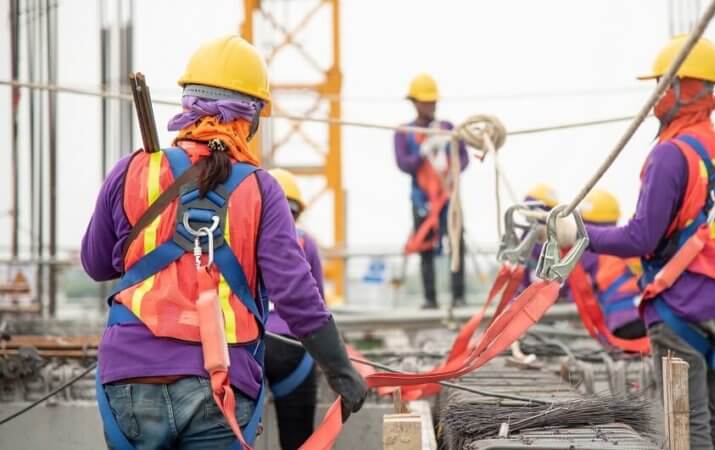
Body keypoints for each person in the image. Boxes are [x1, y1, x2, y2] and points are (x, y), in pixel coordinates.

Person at [81, 35, 366, 450]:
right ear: (249, 119)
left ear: (187, 106)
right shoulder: (260, 189)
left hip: (128, 378)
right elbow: (296, 294)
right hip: (221, 384)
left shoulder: (134, 171)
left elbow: (96, 264)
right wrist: (341, 370)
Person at [554, 35, 715, 450]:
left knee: (688, 422)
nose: (657, 95)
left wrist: (582, 235)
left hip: (679, 312)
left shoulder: (670, 155)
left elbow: (640, 237)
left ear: (687, 88)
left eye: (664, 84)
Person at [393, 73, 470, 309]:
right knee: (425, 248)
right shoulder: (404, 132)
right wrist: (423, 152)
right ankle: (430, 298)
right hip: (422, 199)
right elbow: (403, 163)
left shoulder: (448, 129)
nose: (430, 106)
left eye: (432, 101)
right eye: (426, 101)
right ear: (415, 102)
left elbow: (464, 159)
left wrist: (449, 160)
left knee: (456, 244)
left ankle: (458, 296)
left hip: (448, 198)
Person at [264, 169, 323, 450]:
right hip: (294, 350)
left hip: (249, 346)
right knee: (299, 442)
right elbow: (318, 306)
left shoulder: (242, 239)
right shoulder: (305, 242)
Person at [569, 190, 645, 341]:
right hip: (648, 316)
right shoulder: (622, 242)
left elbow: (574, 286)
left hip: (621, 322)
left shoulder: (588, 249)